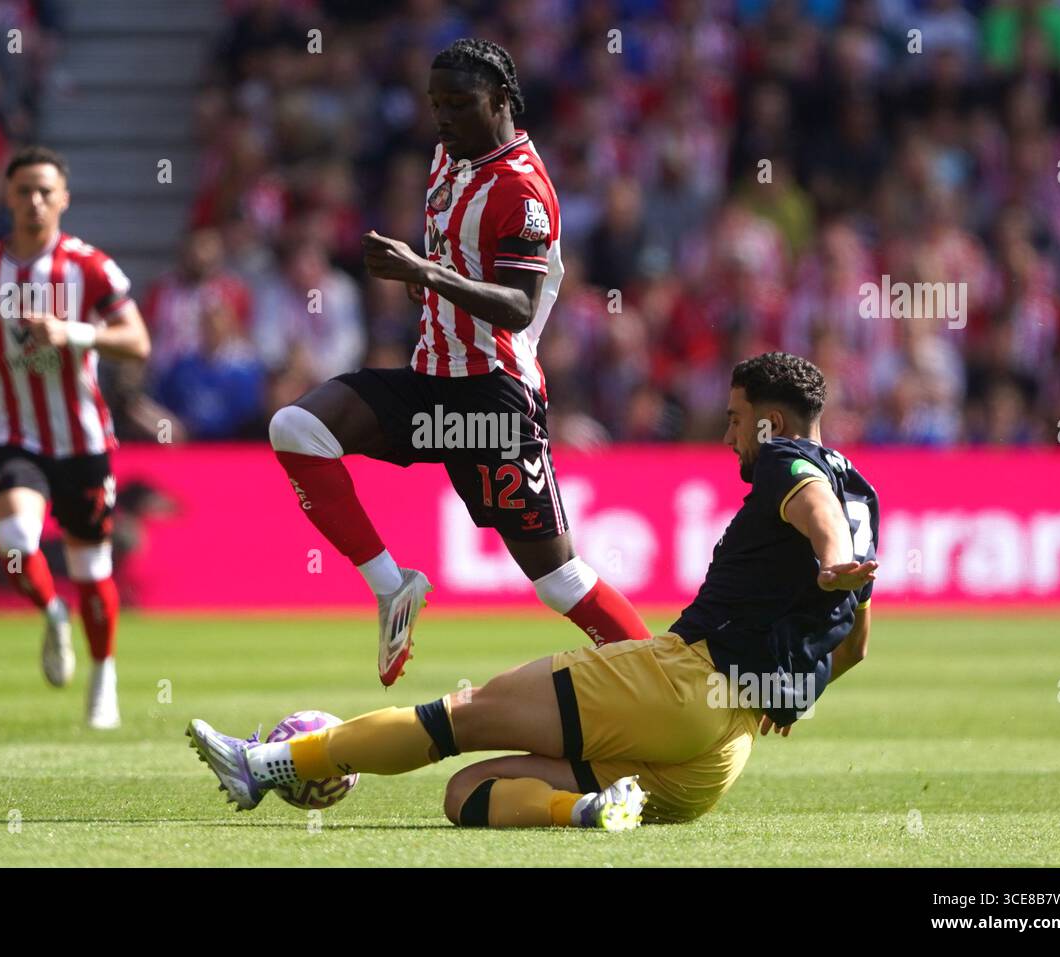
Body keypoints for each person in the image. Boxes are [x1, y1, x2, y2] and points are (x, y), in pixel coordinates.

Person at [189, 353, 880, 828]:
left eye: (736, 418)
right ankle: (579, 811)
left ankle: (263, 764)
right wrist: (791, 692)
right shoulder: (866, 496)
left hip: (683, 681)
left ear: (775, 422)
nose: (730, 436)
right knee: (466, 795)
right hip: (719, 756)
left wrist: (831, 556)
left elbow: (810, 501)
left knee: (457, 719)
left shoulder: (794, 463)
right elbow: (855, 643)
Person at [267, 38, 651, 688]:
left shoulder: (523, 191)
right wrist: (427, 278)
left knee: (557, 581)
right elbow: (461, 262)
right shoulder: (448, 156)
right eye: (435, 103)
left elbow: (517, 306)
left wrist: (424, 271)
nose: (442, 117)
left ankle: (665, 681)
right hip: (430, 384)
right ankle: (394, 588)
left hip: (493, 405)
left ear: (500, 100)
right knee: (296, 429)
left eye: (459, 103)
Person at [0, 145, 151, 729]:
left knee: (92, 569)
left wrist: (72, 332)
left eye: (44, 191)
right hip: (14, 433)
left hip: (82, 441)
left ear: (63, 199)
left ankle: (103, 675)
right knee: (14, 541)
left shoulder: (87, 267)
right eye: (22, 191)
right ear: (6, 198)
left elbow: (137, 341)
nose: (33, 201)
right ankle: (52, 613)